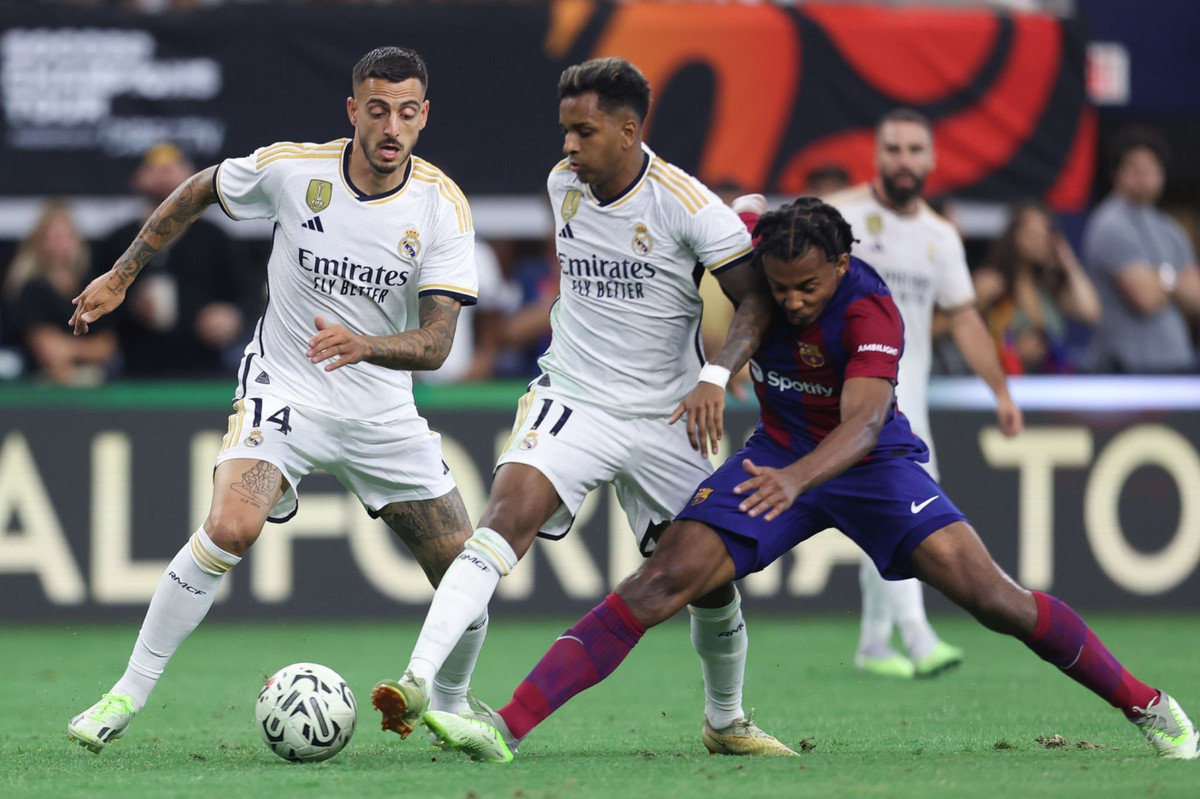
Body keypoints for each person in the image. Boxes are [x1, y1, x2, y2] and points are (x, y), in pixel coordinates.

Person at [420, 198, 1200, 764]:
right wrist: (720, 374)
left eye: (808, 289)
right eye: (781, 285)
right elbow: (741, 282)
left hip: (870, 467)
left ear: (840, 266)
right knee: (662, 580)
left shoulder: (870, 309)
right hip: (778, 453)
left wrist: (795, 479)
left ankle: (1147, 704)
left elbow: (862, 425)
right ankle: (506, 724)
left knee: (996, 598)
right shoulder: (763, 257)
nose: (794, 301)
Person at [65, 46, 485, 754]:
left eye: (406, 112)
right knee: (229, 528)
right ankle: (124, 694)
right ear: (352, 111)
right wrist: (122, 273)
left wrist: (365, 344)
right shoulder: (294, 172)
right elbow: (199, 187)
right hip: (285, 391)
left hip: (382, 413)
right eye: (377, 110)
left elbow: (439, 342)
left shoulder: (442, 206)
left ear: (423, 117)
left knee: (464, 572)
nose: (391, 127)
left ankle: (452, 704)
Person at [371, 57, 795, 757]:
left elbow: (756, 299)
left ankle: (726, 720)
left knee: (708, 582)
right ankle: (418, 681)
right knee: (504, 519)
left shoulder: (688, 207)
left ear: (629, 131)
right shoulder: (562, 184)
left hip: (667, 416)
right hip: (574, 396)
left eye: (584, 131)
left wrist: (717, 374)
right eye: (564, 129)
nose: (568, 146)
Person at [828, 108, 1023, 679]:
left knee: (885, 511)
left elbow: (964, 318)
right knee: (903, 507)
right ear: (876, 155)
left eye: (915, 149)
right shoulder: (840, 216)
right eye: (894, 149)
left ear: (932, 159)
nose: (904, 160)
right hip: (847, 395)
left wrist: (1001, 392)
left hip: (908, 397)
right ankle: (916, 635)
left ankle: (873, 642)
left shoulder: (940, 237)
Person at [92, 142, 261, 379]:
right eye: (155, 167)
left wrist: (233, 317)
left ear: (192, 175)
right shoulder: (118, 241)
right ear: (138, 178)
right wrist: (129, 308)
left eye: (173, 167)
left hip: (204, 369)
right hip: (133, 372)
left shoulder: (215, 238)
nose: (165, 174)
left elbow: (249, 294)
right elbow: (93, 308)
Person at [1082, 126, 1200, 374]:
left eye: (1152, 169)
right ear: (1117, 173)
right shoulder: (1110, 224)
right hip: (1126, 368)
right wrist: (1174, 280)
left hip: (1176, 361)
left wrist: (1160, 280)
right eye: (1136, 169)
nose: (1145, 177)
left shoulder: (1170, 228)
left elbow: (1196, 296)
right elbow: (1144, 298)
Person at [974, 200, 1102, 374]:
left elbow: (1091, 312)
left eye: (1044, 236)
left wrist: (1068, 261)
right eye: (1031, 234)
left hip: (1050, 382)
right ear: (1013, 235)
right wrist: (1015, 352)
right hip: (1005, 379)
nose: (1038, 242)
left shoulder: (1050, 286)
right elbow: (967, 332)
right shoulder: (992, 282)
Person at [3, 199, 117, 385]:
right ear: (40, 241)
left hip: (96, 377)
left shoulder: (92, 284)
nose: (61, 244)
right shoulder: (30, 288)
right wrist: (84, 351)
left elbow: (106, 345)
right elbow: (48, 349)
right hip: (38, 381)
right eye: (54, 237)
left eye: (66, 236)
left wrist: (71, 348)